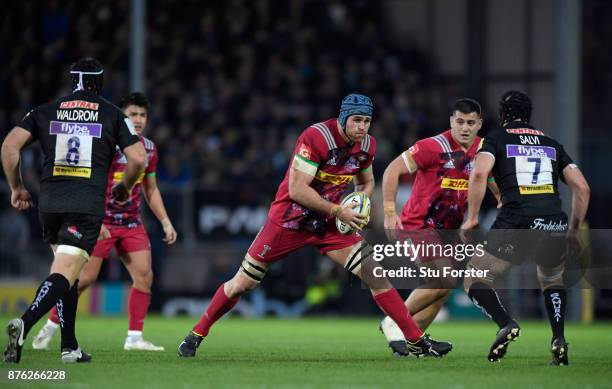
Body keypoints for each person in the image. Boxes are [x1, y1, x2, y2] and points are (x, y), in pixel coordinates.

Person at [177, 93, 452, 358]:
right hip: (289, 221)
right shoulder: (316, 137)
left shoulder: (367, 145)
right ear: (343, 118)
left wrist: (361, 202)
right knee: (242, 283)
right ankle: (196, 334)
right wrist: (338, 210)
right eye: (356, 120)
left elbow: (366, 183)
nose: (362, 127)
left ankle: (414, 341)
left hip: (330, 224)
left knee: (375, 273)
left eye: (367, 121)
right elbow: (297, 189)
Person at [1, 57, 146, 363]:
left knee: (69, 272)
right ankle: (23, 326)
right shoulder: (112, 114)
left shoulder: (45, 110)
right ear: (100, 82)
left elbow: (9, 147)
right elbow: (137, 159)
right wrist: (126, 186)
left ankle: (69, 346)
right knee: (65, 272)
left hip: (50, 203)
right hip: (84, 205)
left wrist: (17, 187)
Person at [32, 92, 176, 352]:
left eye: (143, 115)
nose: (139, 119)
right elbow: (87, 183)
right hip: (100, 221)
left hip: (131, 222)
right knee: (83, 279)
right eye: (133, 114)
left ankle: (134, 338)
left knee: (144, 276)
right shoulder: (106, 144)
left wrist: (165, 221)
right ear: (123, 117)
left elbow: (150, 189)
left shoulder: (149, 149)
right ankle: (50, 327)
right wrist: (93, 219)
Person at [460, 91, 590, 365]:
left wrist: (472, 217)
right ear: (528, 115)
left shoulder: (495, 138)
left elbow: (480, 173)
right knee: (552, 279)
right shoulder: (551, 143)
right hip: (554, 221)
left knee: (475, 277)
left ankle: (506, 323)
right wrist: (574, 230)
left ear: (504, 114)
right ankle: (558, 338)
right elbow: (582, 188)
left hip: (517, 220)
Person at [379, 98, 501, 356]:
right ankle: (394, 321)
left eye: (470, 122)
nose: (464, 128)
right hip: (418, 225)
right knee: (443, 279)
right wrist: (390, 212)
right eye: (459, 121)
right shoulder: (432, 146)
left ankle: (414, 344)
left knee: (442, 290)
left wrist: (501, 199)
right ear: (451, 122)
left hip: (449, 232)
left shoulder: (483, 149)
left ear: (479, 124)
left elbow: (488, 178)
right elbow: (392, 170)